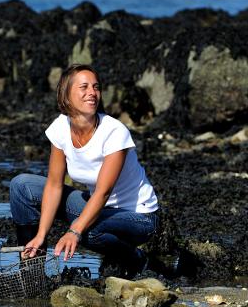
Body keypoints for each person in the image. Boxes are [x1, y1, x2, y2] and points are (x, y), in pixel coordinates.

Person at [10, 64, 159, 277]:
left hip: (138, 218)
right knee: (22, 186)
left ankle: (135, 258)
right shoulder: (60, 127)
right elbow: (53, 185)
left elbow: (102, 192)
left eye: (96, 87)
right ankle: (31, 273)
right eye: (84, 87)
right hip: (96, 206)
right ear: (67, 94)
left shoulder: (114, 132)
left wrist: (74, 231)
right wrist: (42, 234)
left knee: (87, 232)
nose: (92, 93)